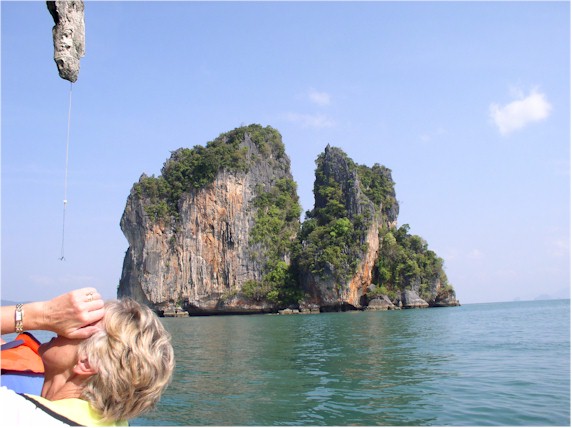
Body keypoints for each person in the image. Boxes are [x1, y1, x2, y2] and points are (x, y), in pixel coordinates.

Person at [1, 289, 175, 426]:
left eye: (82, 325)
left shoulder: (16, 415)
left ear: (87, 362)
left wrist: (44, 315)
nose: (63, 325)